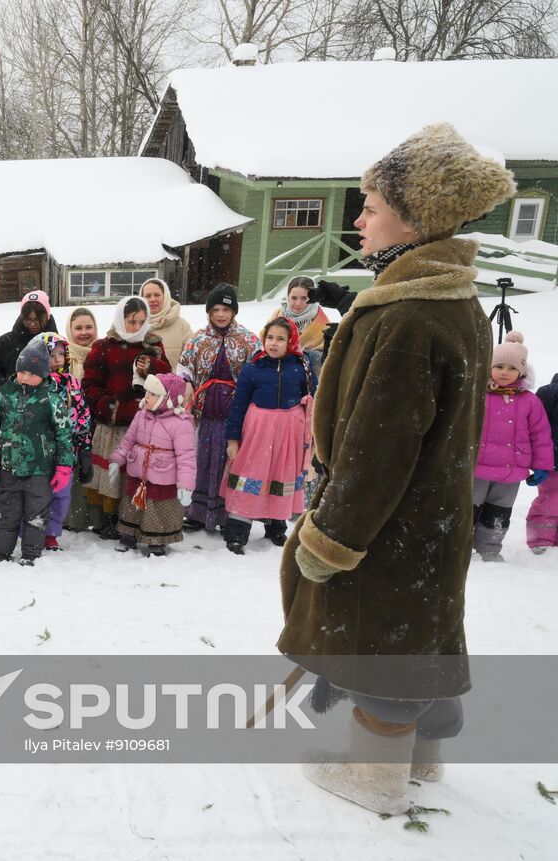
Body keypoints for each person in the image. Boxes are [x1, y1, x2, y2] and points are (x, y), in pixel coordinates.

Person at [279, 123, 514, 815]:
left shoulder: (412, 314)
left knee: (380, 639)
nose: (358, 218)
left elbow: (378, 449)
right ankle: (424, 759)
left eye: (372, 205)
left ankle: (375, 778)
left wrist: (333, 537)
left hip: (389, 523)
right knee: (422, 632)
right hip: (431, 518)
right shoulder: (451, 298)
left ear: (414, 221)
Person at [221, 317, 315, 555]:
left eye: (280, 339)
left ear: (291, 342)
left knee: (280, 475)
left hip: (288, 435)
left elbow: (314, 399)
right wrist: (233, 439)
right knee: (250, 477)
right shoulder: (254, 368)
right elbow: (238, 406)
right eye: (270, 337)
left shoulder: (301, 368)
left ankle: (276, 526)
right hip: (258, 433)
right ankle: (237, 532)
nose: (273, 343)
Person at [0, 340, 73, 566]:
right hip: (9, 467)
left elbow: (64, 435)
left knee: (36, 513)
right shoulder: (5, 396)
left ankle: (31, 554)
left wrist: (64, 467)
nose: (25, 377)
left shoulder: (51, 399)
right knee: (7, 511)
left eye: (31, 373)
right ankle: (0, 551)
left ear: (43, 373)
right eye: (21, 371)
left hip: (40, 469)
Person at [82, 297, 171, 540]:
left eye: (142, 322)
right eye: (132, 322)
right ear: (121, 319)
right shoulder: (104, 346)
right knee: (113, 478)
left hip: (145, 425)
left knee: (136, 476)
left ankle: (132, 520)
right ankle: (109, 519)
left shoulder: (152, 344)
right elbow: (89, 385)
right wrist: (111, 408)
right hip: (113, 426)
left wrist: (153, 365)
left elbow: (168, 379)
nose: (137, 327)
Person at [176, 284, 261, 535]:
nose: (221, 314)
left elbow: (257, 372)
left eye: (226, 309)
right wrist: (187, 385)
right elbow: (183, 368)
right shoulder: (198, 339)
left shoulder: (248, 339)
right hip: (204, 414)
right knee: (201, 462)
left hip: (234, 415)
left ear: (234, 311)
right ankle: (197, 512)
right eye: (216, 309)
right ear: (209, 312)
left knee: (230, 464)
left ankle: (228, 514)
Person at [473, 332, 552, 562]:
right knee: (469, 509)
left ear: (522, 372)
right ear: (489, 367)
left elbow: (540, 434)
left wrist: (542, 465)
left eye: (511, 367)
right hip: (477, 466)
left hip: (511, 470)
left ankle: (489, 547)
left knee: (499, 512)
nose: (504, 372)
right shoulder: (478, 395)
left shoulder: (529, 400)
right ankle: (461, 546)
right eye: (499, 366)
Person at [107, 373, 196, 556]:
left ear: (167, 399)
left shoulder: (181, 424)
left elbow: (186, 458)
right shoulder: (141, 416)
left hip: (163, 477)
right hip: (138, 474)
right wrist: (117, 461)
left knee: (157, 510)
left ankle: (158, 540)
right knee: (132, 507)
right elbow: (128, 441)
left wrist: (186, 487)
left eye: (152, 394)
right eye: (147, 393)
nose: (146, 397)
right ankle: (128, 535)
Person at [33, 333, 92, 551]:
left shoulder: (72, 383)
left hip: (66, 453)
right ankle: (32, 529)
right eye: (51, 354)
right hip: (37, 453)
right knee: (35, 494)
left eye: (61, 354)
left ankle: (51, 532)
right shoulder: (33, 383)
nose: (58, 359)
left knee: (61, 494)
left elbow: (83, 416)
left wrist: (85, 450)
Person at [61, 307, 101, 533]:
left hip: (99, 421)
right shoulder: (63, 356)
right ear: (70, 329)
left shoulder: (102, 352)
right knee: (75, 469)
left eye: (88, 327)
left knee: (95, 467)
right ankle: (74, 518)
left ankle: (96, 517)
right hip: (72, 425)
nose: (84, 332)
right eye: (78, 328)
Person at [0, 290, 57, 381]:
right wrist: (5, 386)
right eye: (28, 319)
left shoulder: (57, 345)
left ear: (47, 317)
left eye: (37, 319)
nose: (32, 324)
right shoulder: (6, 342)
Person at [272, 276, 330, 380]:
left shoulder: (323, 323)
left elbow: (326, 359)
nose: (298, 303)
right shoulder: (277, 316)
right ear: (287, 297)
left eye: (304, 298)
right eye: (293, 298)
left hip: (311, 381)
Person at [528, 371, 558, 554]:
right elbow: (537, 428)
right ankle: (540, 539)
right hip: (554, 460)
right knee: (550, 500)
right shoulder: (549, 393)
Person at [138, 278, 194, 369]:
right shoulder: (134, 327)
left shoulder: (182, 326)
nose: (152, 299)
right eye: (147, 296)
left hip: (174, 382)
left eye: (157, 295)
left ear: (166, 296)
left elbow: (192, 361)